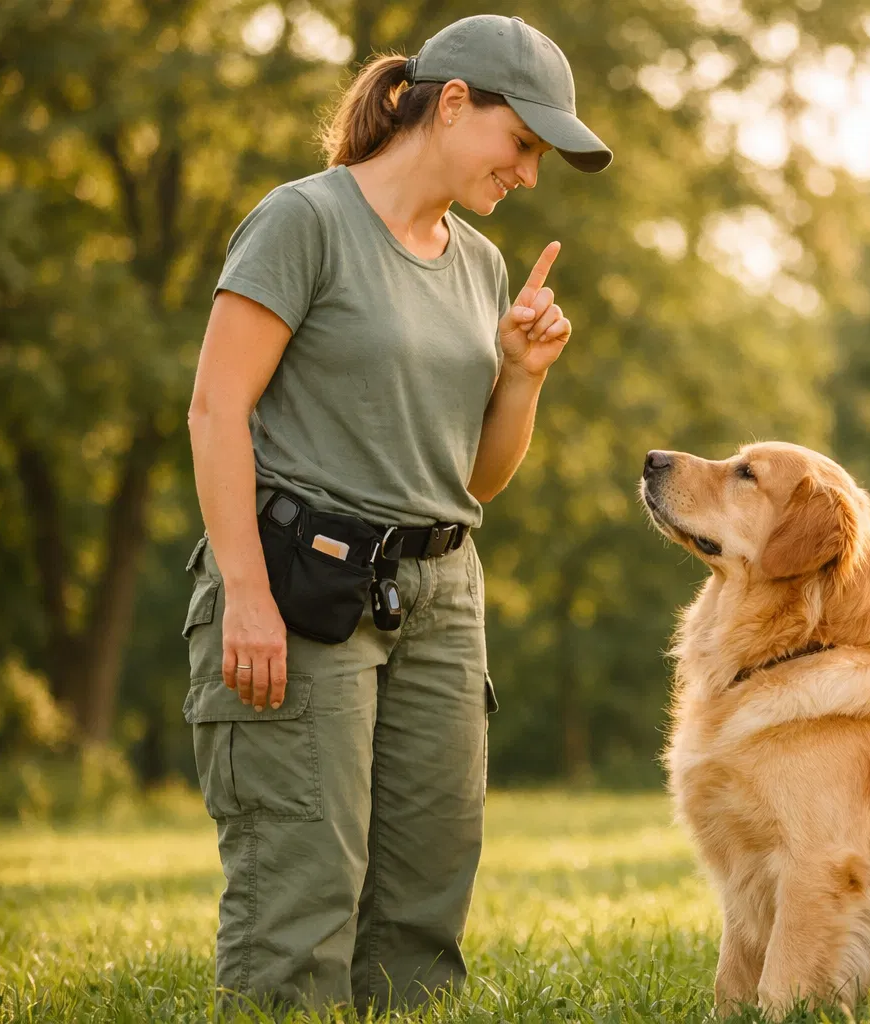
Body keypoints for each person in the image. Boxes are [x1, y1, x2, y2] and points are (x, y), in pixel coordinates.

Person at [180, 14, 610, 1012]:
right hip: (304, 582)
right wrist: (245, 593)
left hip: (441, 597)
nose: (528, 174)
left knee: (422, 912)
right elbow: (215, 410)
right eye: (523, 143)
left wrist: (521, 377)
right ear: (452, 103)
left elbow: (478, 479)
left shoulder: (480, 266)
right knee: (300, 901)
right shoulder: (305, 221)